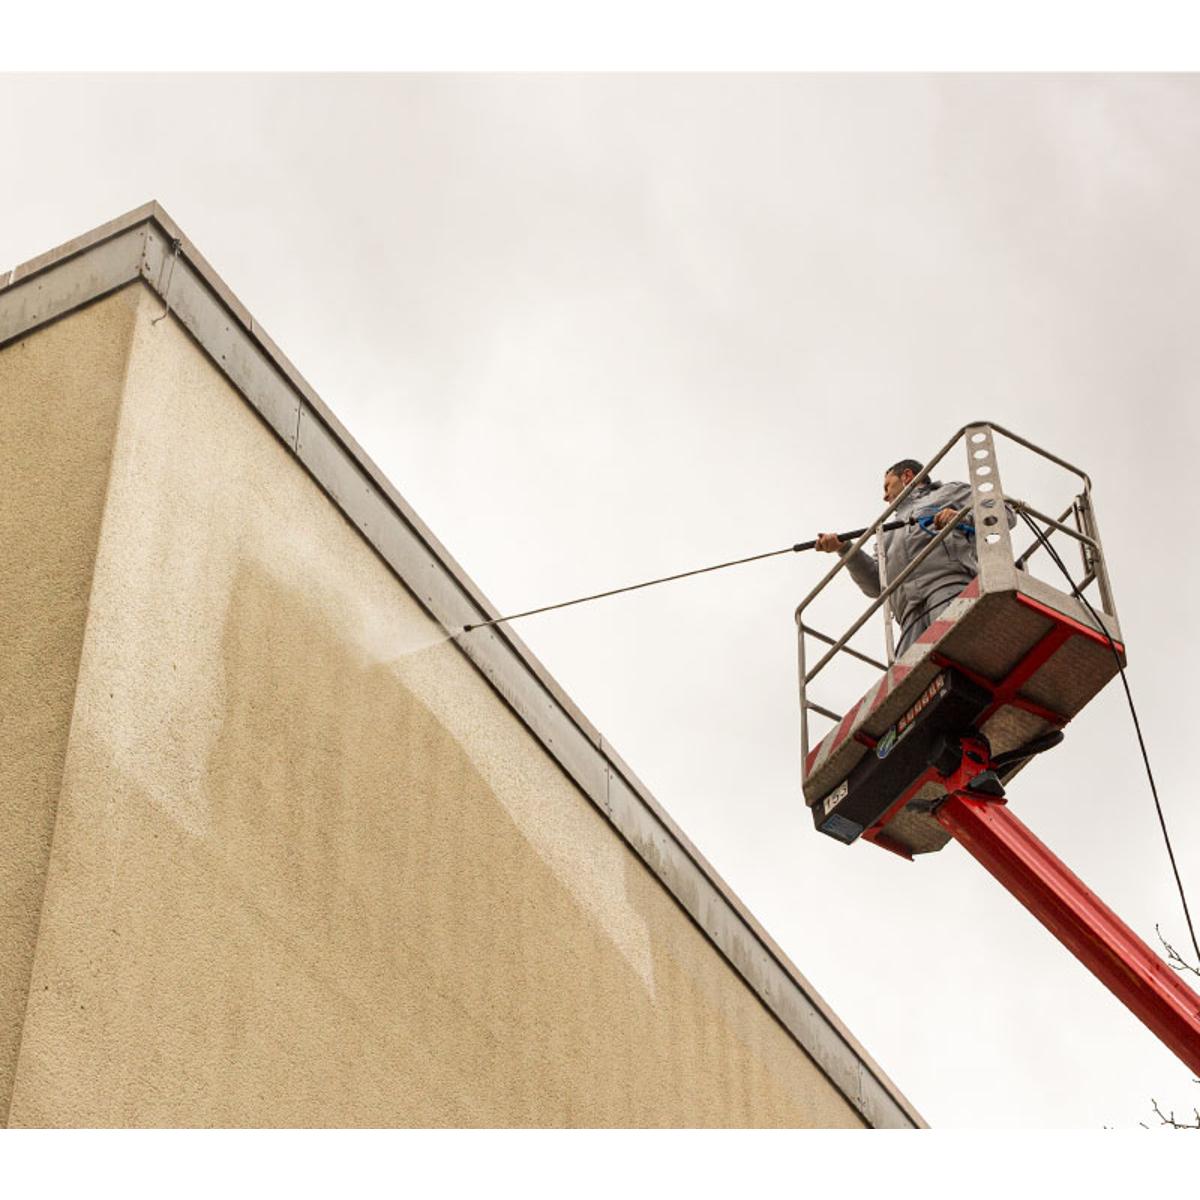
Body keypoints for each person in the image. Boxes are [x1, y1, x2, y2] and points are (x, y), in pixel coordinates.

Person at [815, 459, 987, 656]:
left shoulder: (948, 493)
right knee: (911, 679)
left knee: (960, 650)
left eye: (887, 486)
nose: (884, 496)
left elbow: (1002, 512)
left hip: (948, 591)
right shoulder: (885, 533)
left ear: (907, 476)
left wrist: (961, 516)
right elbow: (875, 585)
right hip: (909, 618)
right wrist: (844, 549)